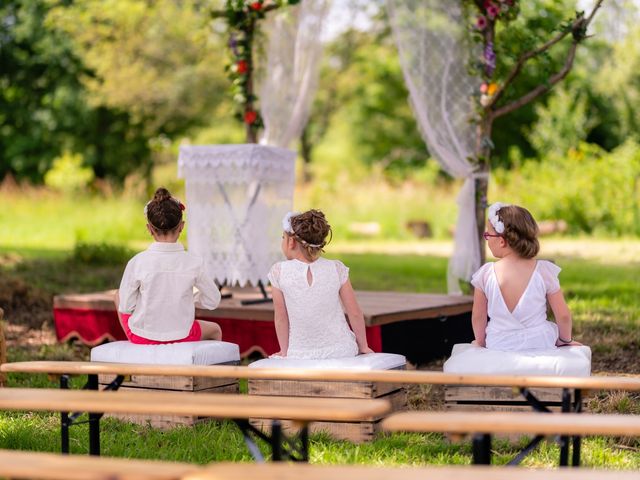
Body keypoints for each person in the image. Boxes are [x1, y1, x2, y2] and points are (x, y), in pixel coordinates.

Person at [116, 187, 222, 344]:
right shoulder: (194, 263)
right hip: (183, 334)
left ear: (149, 229)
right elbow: (213, 300)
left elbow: (126, 306)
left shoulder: (137, 262)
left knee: (118, 295)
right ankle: (202, 367)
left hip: (142, 336)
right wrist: (190, 299)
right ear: (182, 227)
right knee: (215, 330)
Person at [470, 202, 581, 351]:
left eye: (488, 235)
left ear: (502, 241)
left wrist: (481, 342)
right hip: (539, 343)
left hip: (499, 344)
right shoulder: (544, 271)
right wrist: (564, 340)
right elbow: (564, 316)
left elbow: (478, 317)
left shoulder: (485, 274)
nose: (487, 239)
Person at [268, 210, 374, 359]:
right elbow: (355, 312)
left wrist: (284, 352)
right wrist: (363, 346)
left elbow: (280, 317)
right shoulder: (336, 268)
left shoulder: (279, 271)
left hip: (300, 353)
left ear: (291, 242)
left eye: (282, 237)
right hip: (341, 350)